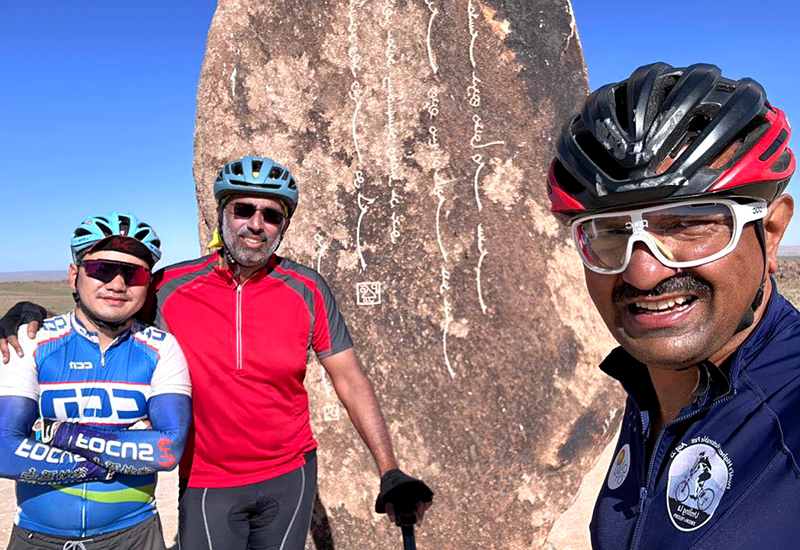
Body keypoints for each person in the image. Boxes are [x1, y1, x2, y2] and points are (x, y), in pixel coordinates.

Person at [1, 157, 433, 549]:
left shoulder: (308, 288)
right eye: (243, 210)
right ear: (222, 215)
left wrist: (389, 468)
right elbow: (107, 304)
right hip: (209, 477)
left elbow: (349, 378)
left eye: (271, 215)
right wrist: (27, 317)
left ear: (283, 226)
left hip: (291, 472)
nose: (255, 224)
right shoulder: (170, 285)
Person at [547, 61, 799, 548]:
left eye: (688, 223)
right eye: (610, 231)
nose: (643, 272)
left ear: (770, 230)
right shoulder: (649, 383)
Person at [0, 212, 192, 550]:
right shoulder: (31, 341)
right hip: (37, 537)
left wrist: (59, 433)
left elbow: (166, 450)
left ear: (147, 284)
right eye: (102, 269)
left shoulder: (162, 348)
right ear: (74, 275)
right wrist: (114, 458)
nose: (118, 284)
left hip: (133, 536)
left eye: (134, 274)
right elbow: (3, 450)